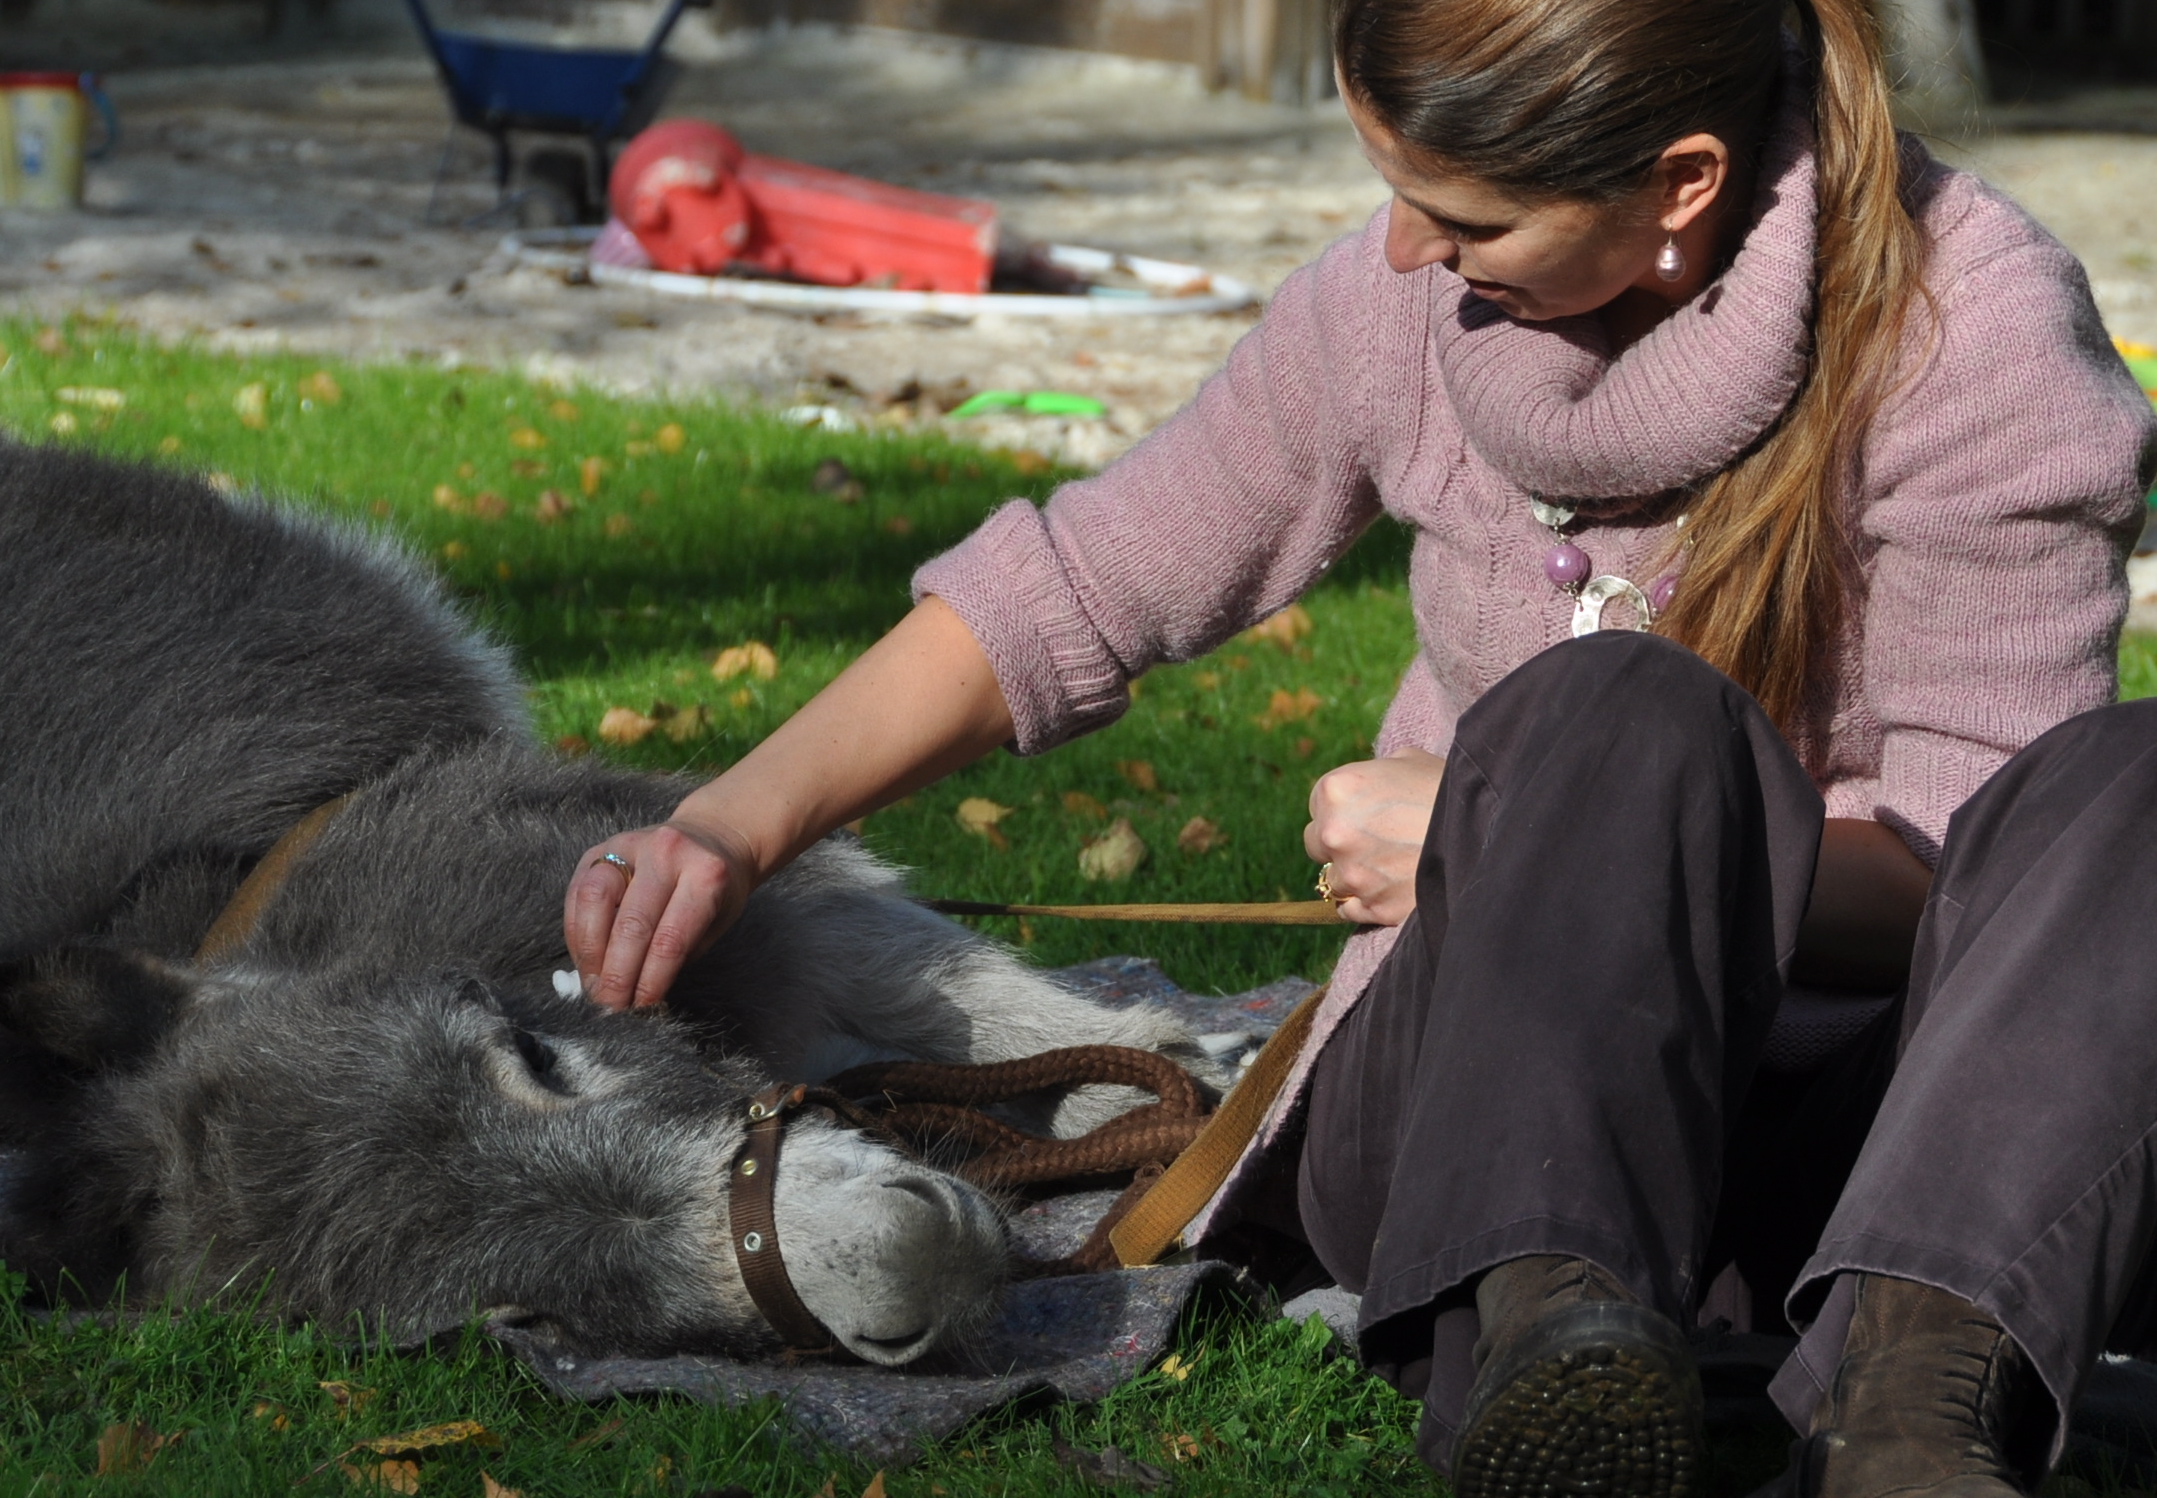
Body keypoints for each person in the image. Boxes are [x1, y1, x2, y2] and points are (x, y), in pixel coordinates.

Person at [561, 0, 2157, 1491]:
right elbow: (1086, 582)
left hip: (1860, 1149)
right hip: (1482, 1114)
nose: (1403, 249)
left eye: (1467, 219)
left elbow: (1988, 881)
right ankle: (1553, 1343)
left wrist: (1496, 831)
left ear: (1682, 181)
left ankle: (1914, 1403)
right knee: (1621, 706)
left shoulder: (1975, 328)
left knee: (2132, 782)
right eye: (1398, 192)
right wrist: (730, 825)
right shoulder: (1404, 307)